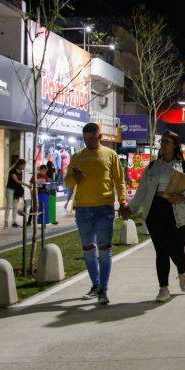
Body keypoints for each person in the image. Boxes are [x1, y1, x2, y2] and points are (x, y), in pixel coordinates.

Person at [64, 122, 130, 306]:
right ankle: (96, 284)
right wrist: (74, 178)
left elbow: (119, 181)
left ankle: (103, 289)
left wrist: (123, 202)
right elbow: (68, 183)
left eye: (92, 138)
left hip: (104, 208)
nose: (89, 142)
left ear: (100, 136)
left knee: (104, 250)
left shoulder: (110, 155)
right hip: (83, 209)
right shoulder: (77, 157)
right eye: (85, 139)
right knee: (88, 250)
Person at [130, 130, 185, 303]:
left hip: (178, 211)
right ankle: (163, 288)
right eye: (163, 141)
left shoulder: (184, 166)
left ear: (175, 145)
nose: (164, 144)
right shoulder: (152, 166)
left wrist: (182, 196)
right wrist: (131, 209)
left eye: (167, 141)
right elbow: (142, 190)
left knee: (177, 250)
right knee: (161, 251)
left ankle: (182, 272)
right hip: (156, 211)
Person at [4, 159, 30, 228]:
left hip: (16, 191)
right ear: (20, 164)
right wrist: (26, 185)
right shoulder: (12, 171)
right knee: (9, 205)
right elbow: (16, 180)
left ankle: (14, 222)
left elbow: (18, 182)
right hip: (10, 189)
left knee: (15, 206)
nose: (24, 166)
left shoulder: (20, 172)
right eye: (23, 165)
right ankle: (6, 221)